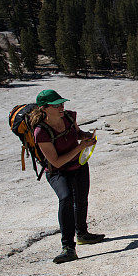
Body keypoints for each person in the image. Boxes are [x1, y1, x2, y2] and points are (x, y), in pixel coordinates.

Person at [30, 89, 104, 264]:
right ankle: (68, 247)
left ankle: (82, 234)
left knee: (81, 199)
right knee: (66, 199)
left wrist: (85, 136)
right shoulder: (41, 132)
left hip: (78, 165)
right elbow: (56, 162)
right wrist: (80, 147)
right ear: (44, 108)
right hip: (58, 172)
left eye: (61, 103)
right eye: (56, 105)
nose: (61, 107)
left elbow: (76, 132)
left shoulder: (69, 117)